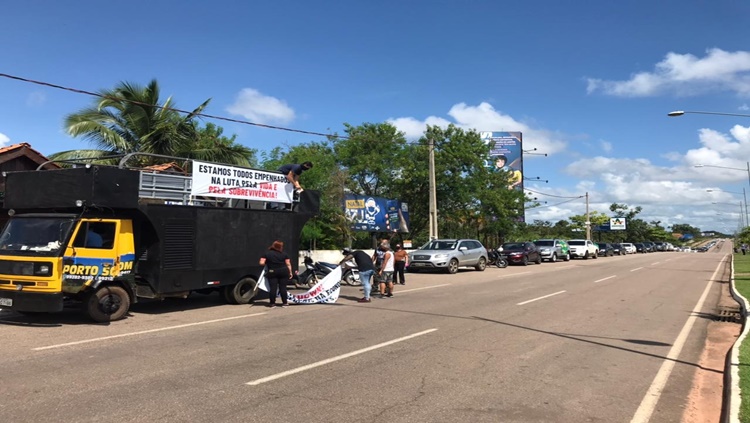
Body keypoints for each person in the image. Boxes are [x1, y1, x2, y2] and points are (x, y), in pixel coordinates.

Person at [259, 240, 293, 308]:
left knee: (273, 288)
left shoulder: (267, 254)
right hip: (283, 271)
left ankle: (272, 303)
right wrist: (290, 272)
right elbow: (288, 264)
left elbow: (261, 263)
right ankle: (285, 303)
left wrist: (268, 262)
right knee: (283, 288)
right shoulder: (284, 254)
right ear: (280, 247)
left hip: (272, 271)